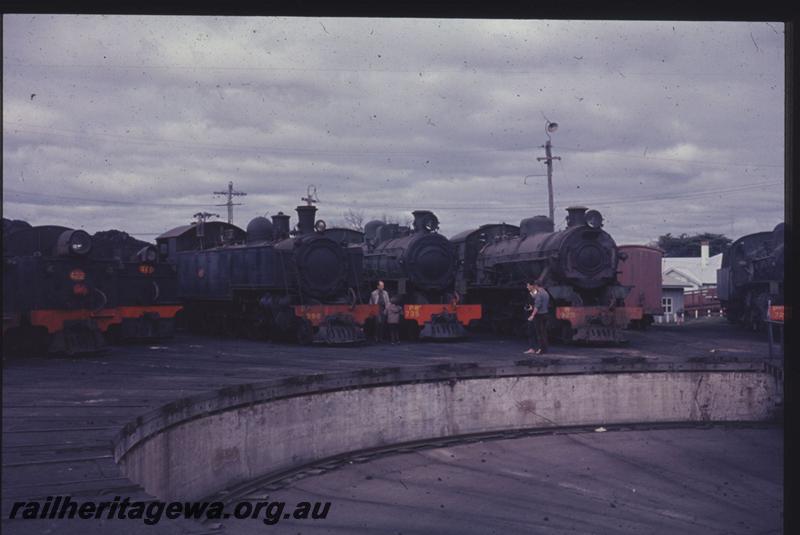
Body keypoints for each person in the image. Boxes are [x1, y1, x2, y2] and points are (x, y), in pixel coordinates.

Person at [524, 281, 550, 354]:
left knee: (539, 333)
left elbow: (537, 306)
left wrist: (532, 315)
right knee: (542, 332)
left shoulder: (539, 294)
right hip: (544, 313)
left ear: (535, 286)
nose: (527, 287)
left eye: (528, 285)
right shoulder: (545, 293)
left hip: (538, 315)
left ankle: (540, 349)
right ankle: (543, 349)